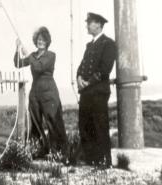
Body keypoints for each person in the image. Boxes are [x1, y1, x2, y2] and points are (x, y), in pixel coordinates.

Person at [14, 27, 68, 157]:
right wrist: (17, 49)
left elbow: (39, 67)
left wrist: (29, 56)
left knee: (53, 122)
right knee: (35, 123)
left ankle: (58, 151)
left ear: (47, 42)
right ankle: (36, 150)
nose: (40, 42)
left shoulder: (51, 55)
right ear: (35, 41)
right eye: (38, 40)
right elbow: (18, 63)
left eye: (43, 40)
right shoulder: (32, 55)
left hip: (49, 93)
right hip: (35, 94)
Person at [77, 12, 116, 167]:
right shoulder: (90, 46)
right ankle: (91, 159)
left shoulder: (108, 44)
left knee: (100, 125)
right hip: (86, 92)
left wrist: (88, 82)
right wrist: (79, 77)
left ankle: (105, 160)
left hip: (98, 91)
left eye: (90, 22)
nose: (87, 25)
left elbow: (105, 69)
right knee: (85, 125)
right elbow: (82, 66)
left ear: (99, 24)